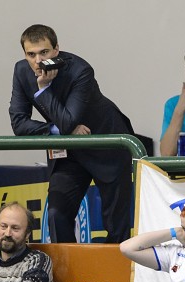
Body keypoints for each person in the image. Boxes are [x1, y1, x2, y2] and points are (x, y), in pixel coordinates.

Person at [9, 25, 133, 243]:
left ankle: (117, 276)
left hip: (105, 145)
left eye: (44, 52)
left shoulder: (80, 69)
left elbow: (68, 120)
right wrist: (55, 130)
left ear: (57, 49)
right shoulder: (21, 71)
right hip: (68, 149)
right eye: (31, 54)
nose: (38, 61)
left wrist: (44, 89)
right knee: (57, 214)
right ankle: (68, 274)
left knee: (116, 226)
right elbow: (19, 124)